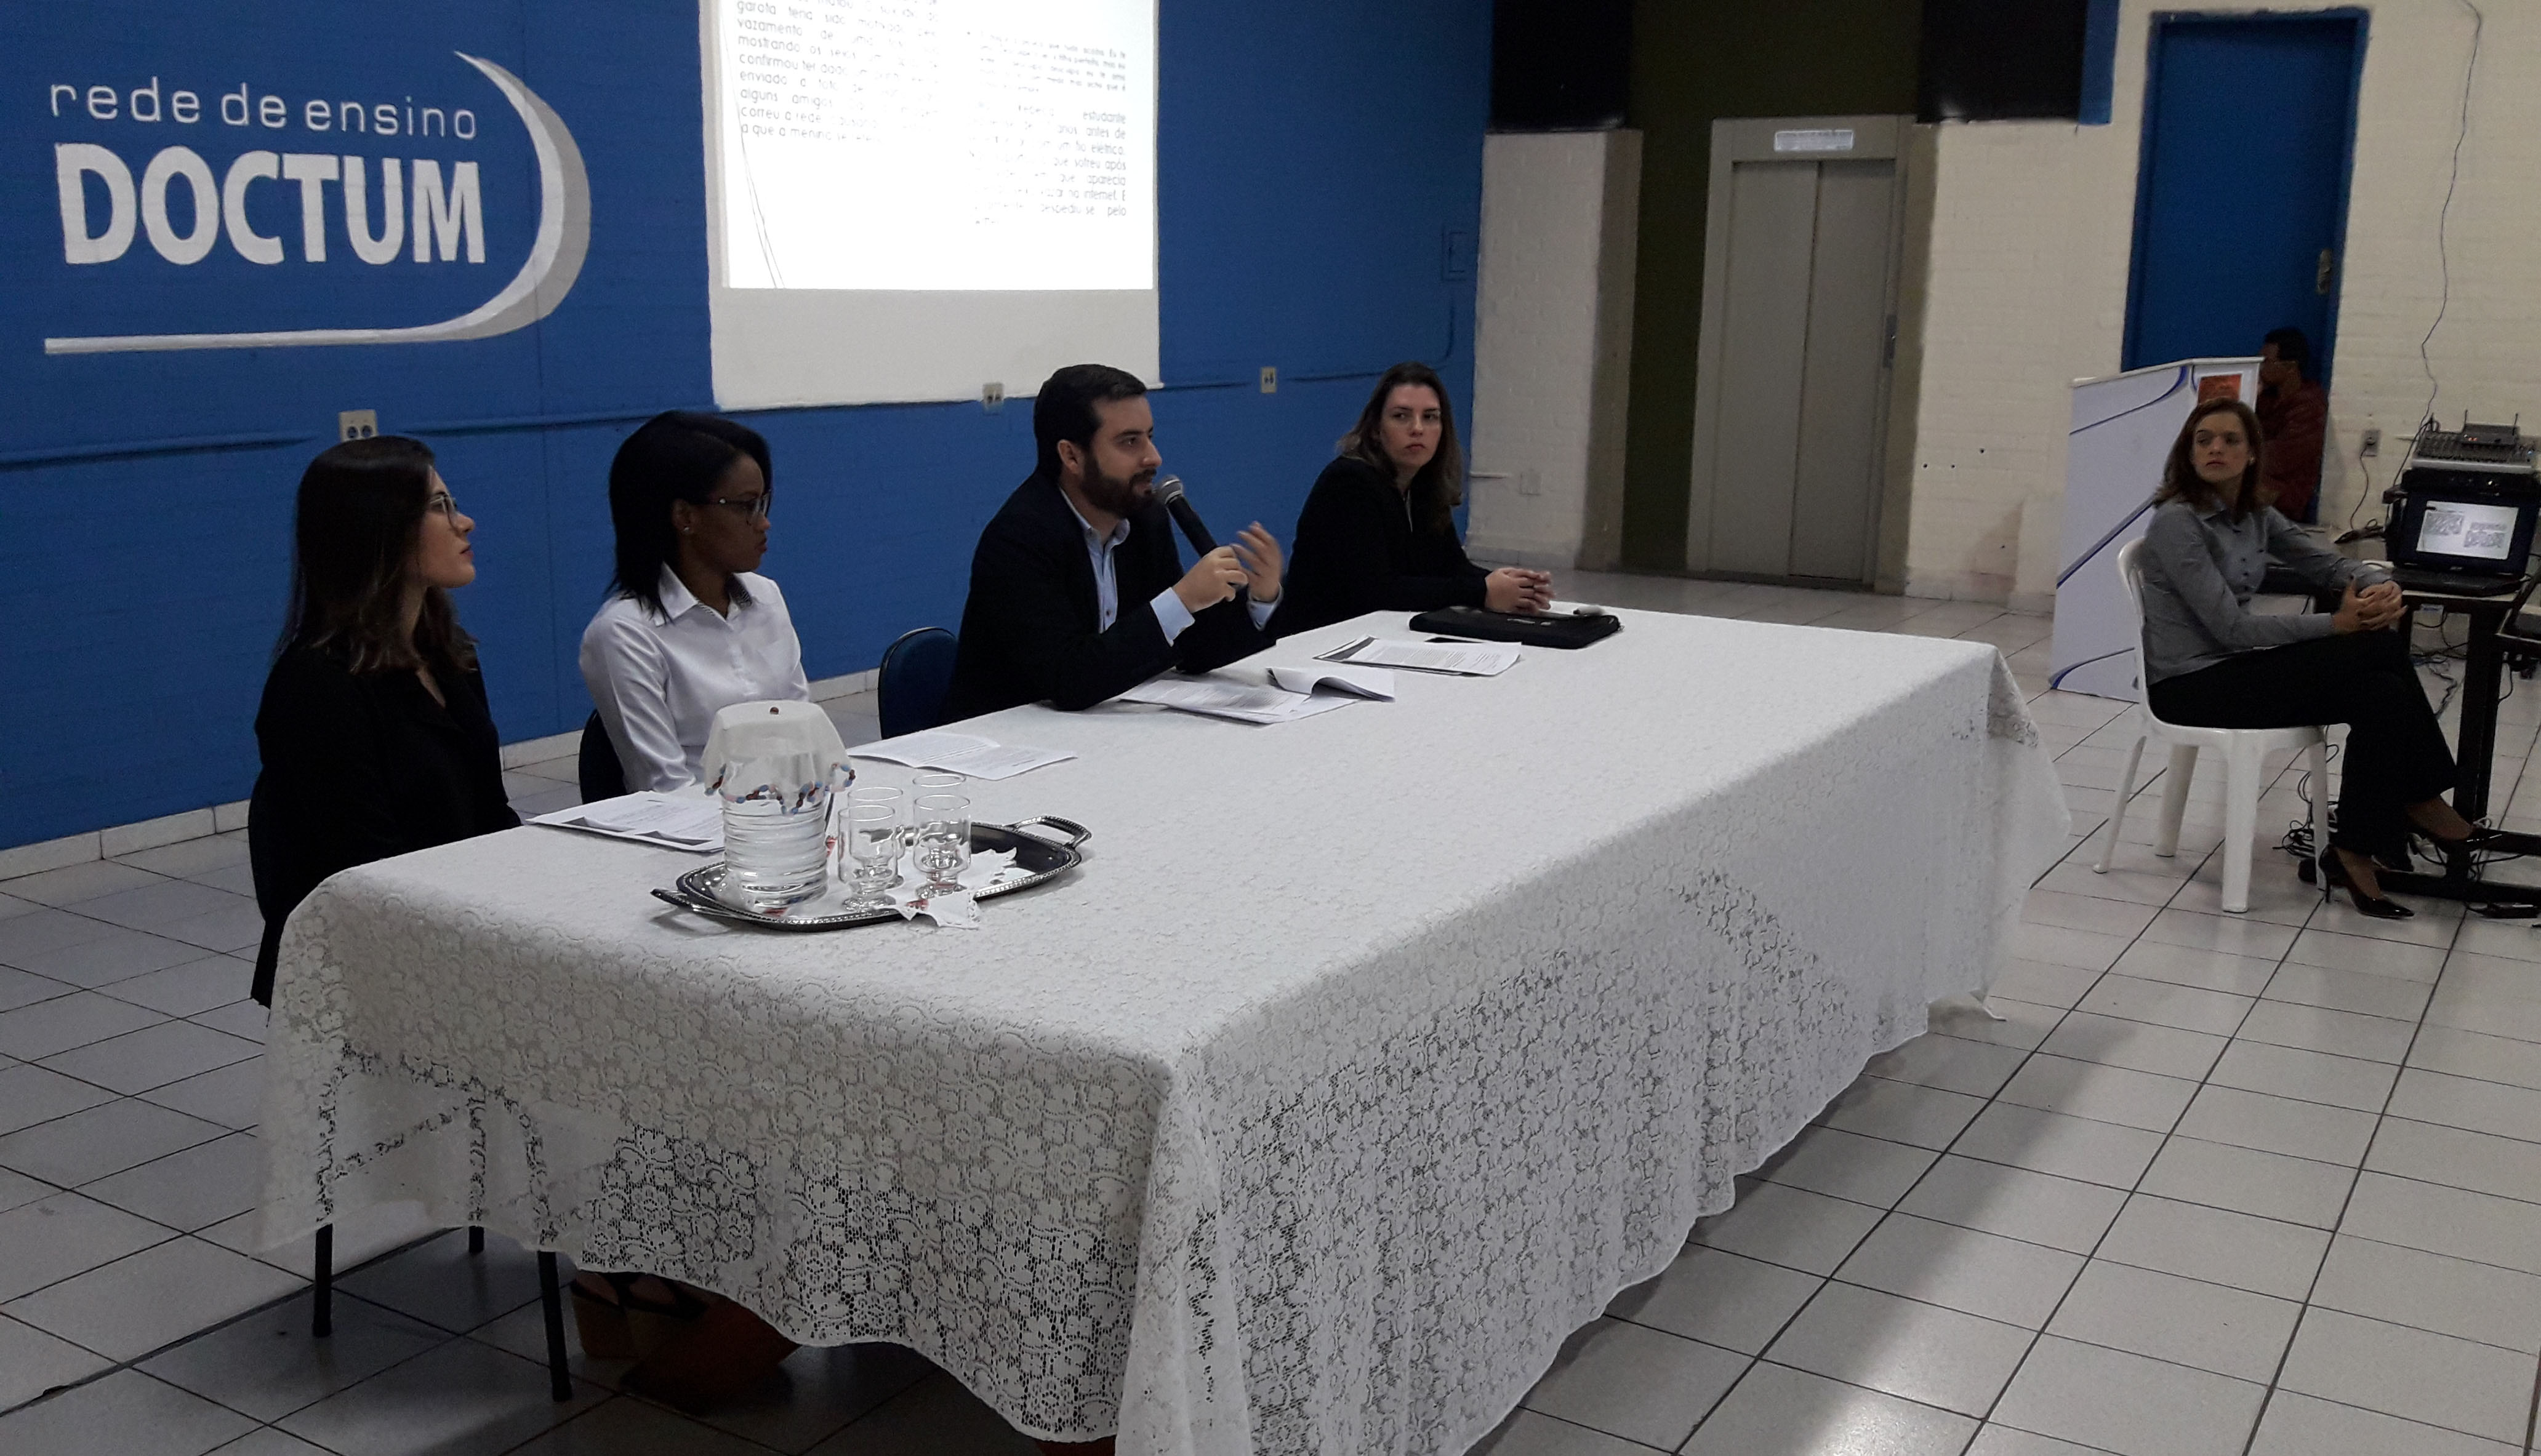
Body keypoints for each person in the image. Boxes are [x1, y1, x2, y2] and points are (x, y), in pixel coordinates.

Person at [2137, 398, 2482, 918]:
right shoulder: (2178, 522)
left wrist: (2380, 585)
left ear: (2253, 453)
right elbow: (2233, 631)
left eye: (2230, 440)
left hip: (2233, 673)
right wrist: (2337, 624)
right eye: (2203, 440)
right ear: (2188, 453)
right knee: (2376, 648)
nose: (2215, 449)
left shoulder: (2255, 515)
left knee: (2380, 691)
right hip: (2189, 686)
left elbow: (2327, 565)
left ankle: (2356, 848)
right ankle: (2420, 802)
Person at [247, 437, 518, 1006]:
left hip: (457, 925)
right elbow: (364, 868)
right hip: (367, 965)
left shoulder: (449, 655)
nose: (464, 522)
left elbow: (490, 816)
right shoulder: (317, 685)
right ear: (380, 530)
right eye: (440, 507)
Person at [942, 363, 1282, 719]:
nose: (1153, 457)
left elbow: (1189, 648)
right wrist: (1182, 600)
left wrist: (1259, 599)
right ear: (1072, 456)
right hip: (1006, 735)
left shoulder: (1145, 520)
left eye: (1150, 436)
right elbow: (1069, 679)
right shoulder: (1019, 540)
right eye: (1130, 442)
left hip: (1097, 729)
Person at [580, 412, 810, 791]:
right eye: (746, 506)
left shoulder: (765, 596)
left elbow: (804, 732)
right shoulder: (625, 633)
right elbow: (664, 787)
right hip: (698, 821)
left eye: (763, 503)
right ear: (685, 516)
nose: (763, 523)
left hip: (786, 811)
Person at [1270, 361, 1551, 637]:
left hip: (1383, 635)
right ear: (1375, 430)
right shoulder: (1349, 482)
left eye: (1430, 417)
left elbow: (1451, 566)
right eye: (1401, 416)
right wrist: (1483, 591)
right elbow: (1377, 591)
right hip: (1320, 639)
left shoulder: (1422, 486)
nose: (1417, 429)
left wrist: (1514, 586)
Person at [2255, 326, 2328, 522]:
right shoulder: (2266, 398)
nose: (2260, 368)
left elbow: (2282, 458)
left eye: (2266, 362)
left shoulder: (2310, 405)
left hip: (2286, 493)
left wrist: (2237, 459)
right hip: (2260, 477)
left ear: (2290, 367)